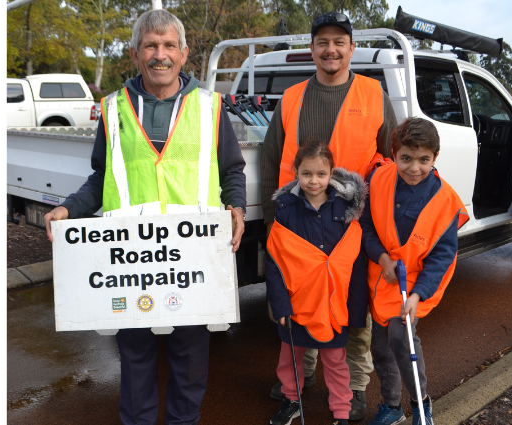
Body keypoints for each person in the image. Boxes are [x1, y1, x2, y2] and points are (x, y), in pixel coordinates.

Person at [42, 9, 246, 425]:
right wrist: (68, 208)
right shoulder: (114, 108)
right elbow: (103, 177)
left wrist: (237, 207)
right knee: (135, 358)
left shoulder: (209, 106)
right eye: (151, 45)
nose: (160, 54)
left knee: (190, 360)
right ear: (135, 53)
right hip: (130, 263)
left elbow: (231, 170)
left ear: (184, 53)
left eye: (169, 45)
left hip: (191, 261)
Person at [260, 11, 398, 420]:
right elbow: (271, 161)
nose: (331, 49)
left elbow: (390, 161)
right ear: (312, 49)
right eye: (323, 41)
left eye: (340, 41)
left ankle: (355, 390)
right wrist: (272, 222)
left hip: (352, 231)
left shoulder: (374, 95)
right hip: (297, 228)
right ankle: (297, 387)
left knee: (352, 317)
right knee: (298, 311)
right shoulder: (291, 97)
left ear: (352, 49)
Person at [360, 117, 469, 425]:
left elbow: (443, 255)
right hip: (384, 276)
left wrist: (419, 294)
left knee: (401, 335)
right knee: (380, 344)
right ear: (394, 154)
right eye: (405, 158)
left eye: (424, 160)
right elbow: (366, 226)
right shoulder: (379, 179)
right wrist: (381, 257)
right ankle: (391, 406)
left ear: (435, 158)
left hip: (418, 284)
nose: (413, 168)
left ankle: (421, 406)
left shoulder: (445, 200)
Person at [265, 140, 368, 425]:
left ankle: (341, 412)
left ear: (331, 173)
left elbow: (354, 262)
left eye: (321, 174)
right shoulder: (285, 209)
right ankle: (291, 399)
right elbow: (276, 261)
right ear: (296, 172)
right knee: (290, 356)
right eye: (306, 173)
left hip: (334, 302)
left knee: (335, 360)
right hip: (296, 299)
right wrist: (280, 305)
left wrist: (357, 309)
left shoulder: (346, 209)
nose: (314, 181)